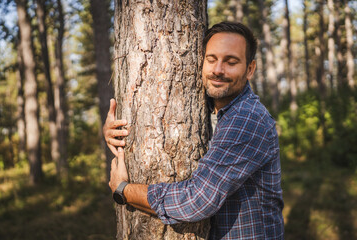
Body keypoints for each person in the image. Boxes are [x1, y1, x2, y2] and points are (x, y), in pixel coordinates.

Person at [103, 21, 284, 239]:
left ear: (250, 69)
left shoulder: (246, 118)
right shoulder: (213, 108)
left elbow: (196, 200)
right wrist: (118, 131)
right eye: (211, 59)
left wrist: (123, 190)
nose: (218, 70)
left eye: (231, 62)